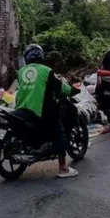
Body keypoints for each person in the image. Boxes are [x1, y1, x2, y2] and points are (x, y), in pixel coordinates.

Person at [14, 44, 79, 178]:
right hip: (40, 112)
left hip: (21, 109)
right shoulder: (46, 70)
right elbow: (59, 87)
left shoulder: (21, 71)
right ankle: (63, 168)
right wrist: (71, 90)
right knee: (59, 132)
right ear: (41, 56)